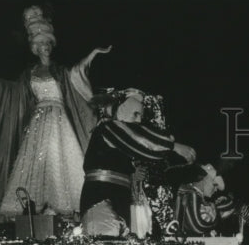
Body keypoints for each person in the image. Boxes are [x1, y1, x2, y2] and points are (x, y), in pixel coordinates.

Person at [0, 6, 110, 219]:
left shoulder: (60, 71)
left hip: (60, 122)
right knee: (35, 162)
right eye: (41, 44)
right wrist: (0, 83)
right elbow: (17, 92)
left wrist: (92, 55)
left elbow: (77, 73)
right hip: (38, 122)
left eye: (48, 43)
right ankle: (34, 209)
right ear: (35, 47)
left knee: (59, 159)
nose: (45, 47)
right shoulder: (29, 73)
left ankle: (66, 210)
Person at [79, 89, 196, 237]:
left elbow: (152, 154)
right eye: (135, 114)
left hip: (118, 198)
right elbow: (143, 141)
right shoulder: (108, 128)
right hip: (101, 198)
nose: (139, 120)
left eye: (141, 115)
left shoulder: (120, 140)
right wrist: (174, 146)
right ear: (121, 110)